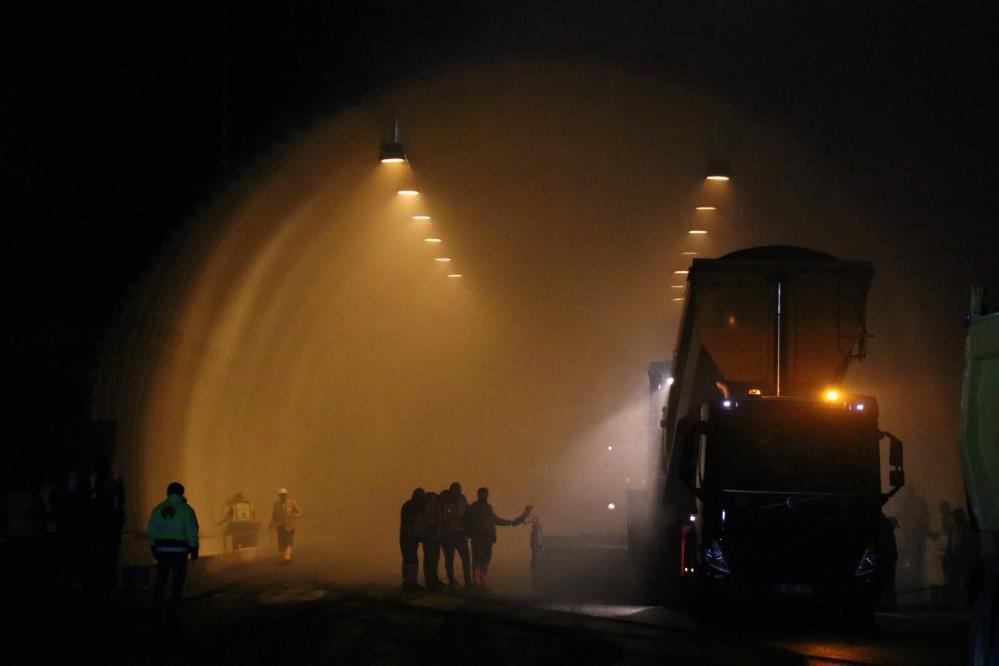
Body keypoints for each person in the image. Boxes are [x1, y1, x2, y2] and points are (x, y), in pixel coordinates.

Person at [147, 482, 199, 617]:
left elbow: (151, 530)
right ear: (182, 493)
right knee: (178, 579)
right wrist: (194, 549)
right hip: (180, 551)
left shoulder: (158, 509)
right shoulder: (187, 510)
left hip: (162, 550)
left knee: (162, 577)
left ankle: (157, 603)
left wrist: (153, 546)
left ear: (168, 493)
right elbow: (192, 530)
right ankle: (174, 605)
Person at [463, 487, 531, 589]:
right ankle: (477, 583)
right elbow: (465, 521)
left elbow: (495, 520)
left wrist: (510, 522)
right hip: (478, 539)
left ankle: (482, 582)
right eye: (483, 495)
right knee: (477, 561)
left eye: (486, 495)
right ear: (478, 495)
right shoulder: (473, 508)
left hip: (487, 539)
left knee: (485, 561)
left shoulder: (488, 508)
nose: (485, 497)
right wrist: (469, 533)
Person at [440, 482, 472, 590]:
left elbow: (467, 513)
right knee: (450, 559)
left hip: (460, 533)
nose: (456, 493)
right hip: (448, 533)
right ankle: (452, 584)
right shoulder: (444, 499)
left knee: (466, 558)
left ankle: (468, 583)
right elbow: (442, 516)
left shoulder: (462, 498)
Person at [399, 488, 427, 591]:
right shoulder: (409, 507)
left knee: (411, 561)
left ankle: (410, 582)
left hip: (412, 538)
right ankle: (409, 583)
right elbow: (410, 523)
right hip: (408, 538)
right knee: (410, 561)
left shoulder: (413, 507)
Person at [269, 488, 302, 563]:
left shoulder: (292, 503)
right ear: (279, 495)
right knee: (281, 542)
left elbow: (299, 511)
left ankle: (287, 556)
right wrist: (271, 524)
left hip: (289, 525)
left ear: (286, 495)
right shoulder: (276, 504)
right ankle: (284, 556)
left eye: (284, 495)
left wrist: (295, 515)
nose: (283, 496)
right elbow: (274, 516)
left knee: (289, 541)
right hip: (280, 525)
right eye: (281, 495)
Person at [422, 490, 444, 590]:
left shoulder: (432, 504)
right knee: (431, 558)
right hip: (431, 535)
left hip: (432, 535)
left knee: (432, 559)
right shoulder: (433, 504)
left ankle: (432, 581)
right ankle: (431, 582)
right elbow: (433, 520)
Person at [878, 514, 899, 610]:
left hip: (886, 561)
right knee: (887, 582)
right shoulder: (887, 534)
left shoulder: (884, 532)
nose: (894, 528)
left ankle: (886, 602)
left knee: (885, 582)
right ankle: (888, 602)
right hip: (887, 561)